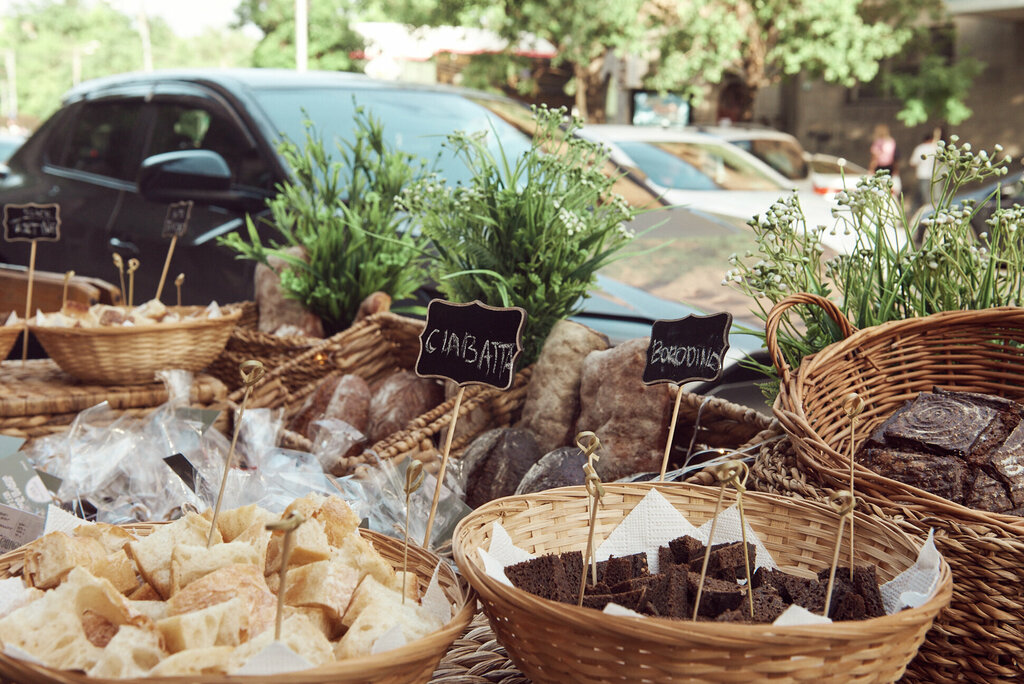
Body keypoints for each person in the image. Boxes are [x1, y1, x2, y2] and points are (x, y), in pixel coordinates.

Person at [909, 128, 941, 212]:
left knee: (924, 197)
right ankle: (933, 212)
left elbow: (912, 163)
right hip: (934, 175)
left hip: (922, 175)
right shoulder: (936, 148)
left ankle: (927, 212)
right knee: (933, 196)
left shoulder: (920, 148)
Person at [868, 123, 900, 196]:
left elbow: (875, 157)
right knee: (888, 187)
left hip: (880, 167)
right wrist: (896, 169)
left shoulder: (878, 142)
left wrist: (871, 168)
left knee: (879, 188)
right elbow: (895, 157)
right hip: (890, 167)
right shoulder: (891, 141)